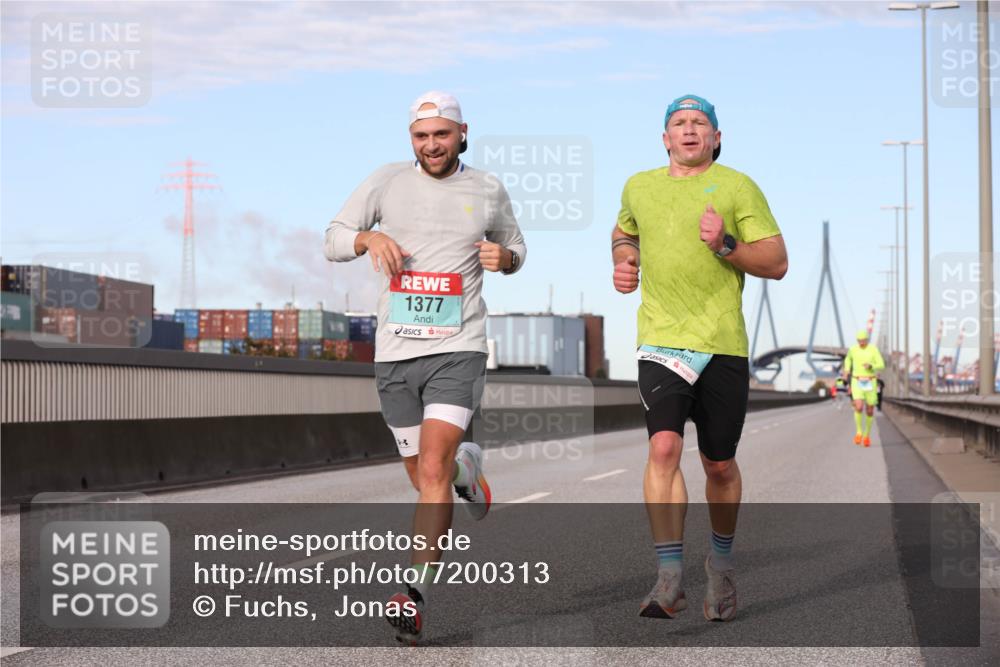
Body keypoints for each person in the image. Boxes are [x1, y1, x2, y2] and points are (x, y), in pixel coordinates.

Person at [324, 91, 527, 644]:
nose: (431, 145)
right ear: (410, 139)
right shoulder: (386, 182)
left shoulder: (486, 188)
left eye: (441, 134)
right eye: (421, 136)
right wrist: (368, 237)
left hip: (458, 348)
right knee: (425, 478)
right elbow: (332, 239)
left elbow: (515, 245)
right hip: (394, 354)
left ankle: (414, 596)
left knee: (430, 468)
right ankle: (469, 474)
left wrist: (505, 259)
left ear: (463, 133)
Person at [611, 95, 787, 622]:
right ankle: (669, 576)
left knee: (719, 463)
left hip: (722, 343)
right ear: (664, 138)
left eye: (700, 124)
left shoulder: (737, 186)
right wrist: (625, 260)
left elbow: (777, 263)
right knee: (663, 448)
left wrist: (727, 243)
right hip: (662, 338)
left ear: (716, 137)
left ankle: (723, 564)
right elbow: (624, 231)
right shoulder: (639, 186)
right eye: (679, 124)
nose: (689, 131)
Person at [841, 330, 885, 447]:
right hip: (857, 380)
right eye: (859, 341)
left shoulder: (873, 349)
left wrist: (872, 366)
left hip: (870, 381)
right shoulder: (853, 349)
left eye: (863, 341)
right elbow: (847, 360)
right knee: (859, 406)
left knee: (870, 410)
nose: (861, 343)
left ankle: (866, 435)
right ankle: (859, 432)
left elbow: (881, 364)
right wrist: (846, 371)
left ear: (867, 340)